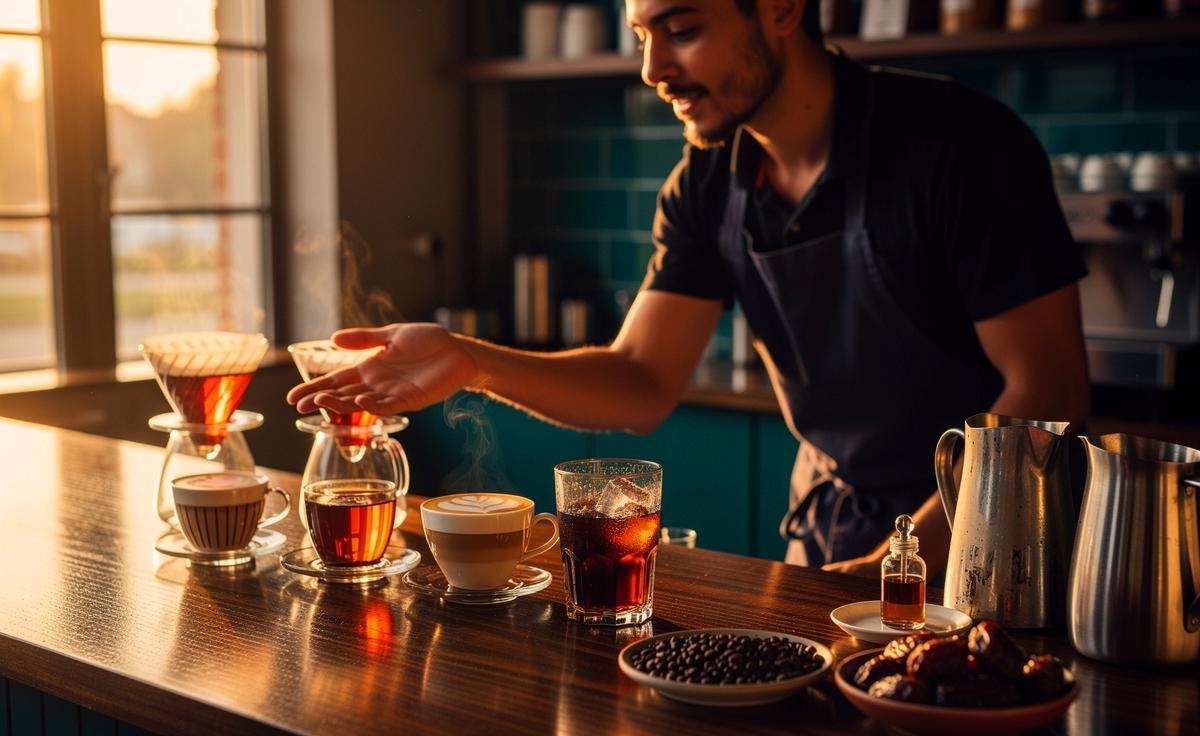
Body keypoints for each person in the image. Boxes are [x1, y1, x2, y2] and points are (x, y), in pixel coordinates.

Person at [287, 0, 1090, 577]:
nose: (651, 68)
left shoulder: (961, 146)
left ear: (781, 8)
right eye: (643, 33)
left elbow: (1047, 389)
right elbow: (639, 382)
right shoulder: (707, 182)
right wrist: (470, 361)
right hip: (830, 537)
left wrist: (906, 557)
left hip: (987, 545)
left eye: (683, 28)